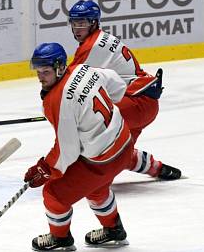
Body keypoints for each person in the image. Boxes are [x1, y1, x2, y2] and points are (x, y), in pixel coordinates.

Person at [24, 42, 133, 251]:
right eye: (38, 72)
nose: (40, 77)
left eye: (45, 72)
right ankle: (114, 230)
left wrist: (46, 168)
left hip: (104, 159)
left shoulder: (57, 100)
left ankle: (60, 238)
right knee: (96, 187)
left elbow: (68, 150)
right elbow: (117, 85)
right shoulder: (83, 69)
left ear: (59, 68)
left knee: (54, 193)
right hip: (125, 144)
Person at [67, 0, 181, 180]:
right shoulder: (99, 39)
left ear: (94, 22)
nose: (77, 28)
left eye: (82, 23)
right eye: (74, 23)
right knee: (117, 156)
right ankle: (157, 168)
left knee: (90, 130)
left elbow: (68, 83)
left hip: (135, 102)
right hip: (143, 103)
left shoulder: (92, 46)